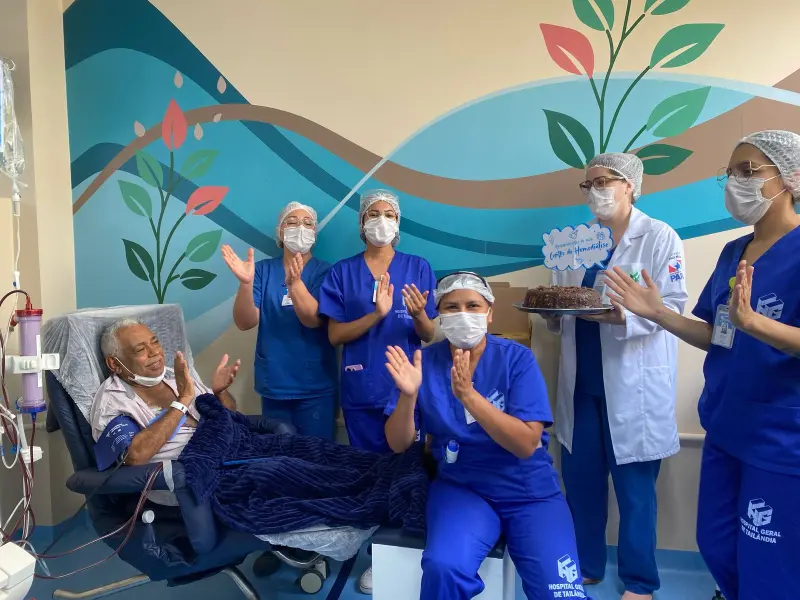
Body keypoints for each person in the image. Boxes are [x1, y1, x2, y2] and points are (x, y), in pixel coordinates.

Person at [603, 131, 800, 600]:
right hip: (726, 423)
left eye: (748, 170)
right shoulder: (734, 253)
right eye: (729, 173)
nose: (735, 182)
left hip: (779, 436)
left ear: (790, 178)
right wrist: (657, 313)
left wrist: (755, 323)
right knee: (716, 542)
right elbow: (717, 336)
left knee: (767, 560)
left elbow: (748, 326)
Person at [385, 272, 592, 600]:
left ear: (489, 312)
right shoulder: (425, 364)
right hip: (462, 489)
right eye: (451, 307)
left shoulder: (516, 359)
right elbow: (398, 443)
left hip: (529, 491)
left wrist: (469, 396)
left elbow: (526, 444)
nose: (463, 314)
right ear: (439, 314)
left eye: (473, 306)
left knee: (561, 593)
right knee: (444, 567)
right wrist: (408, 396)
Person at [541, 153, 688, 600]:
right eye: (589, 184)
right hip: (582, 385)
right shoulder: (576, 242)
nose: (596, 191)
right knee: (582, 482)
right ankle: (586, 565)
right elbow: (562, 302)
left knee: (635, 492)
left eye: (605, 181)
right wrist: (552, 315)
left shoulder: (659, 236)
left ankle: (640, 582)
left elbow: (673, 307)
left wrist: (622, 316)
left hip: (633, 386)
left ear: (631, 186)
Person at [318, 189, 437, 593]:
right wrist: (376, 315)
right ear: (361, 222)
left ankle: (411, 550)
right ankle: (378, 557)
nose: (381, 220)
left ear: (398, 223)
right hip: (362, 385)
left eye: (389, 214)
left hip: (405, 387)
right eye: (373, 213)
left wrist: (418, 314)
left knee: (410, 469)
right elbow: (335, 335)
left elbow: (429, 333)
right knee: (371, 474)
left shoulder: (417, 268)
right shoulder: (342, 273)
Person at [90, 318, 239, 506]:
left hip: (228, 459)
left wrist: (220, 393)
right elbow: (133, 456)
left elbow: (230, 417)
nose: (155, 352)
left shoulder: (175, 376)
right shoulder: (114, 401)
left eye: (155, 342)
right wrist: (182, 401)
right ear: (114, 363)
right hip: (186, 481)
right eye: (140, 349)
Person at [221, 202, 337, 439]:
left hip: (314, 384)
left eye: (307, 223)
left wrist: (295, 285)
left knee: (317, 455)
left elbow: (314, 319)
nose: (300, 228)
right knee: (278, 454)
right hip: (274, 383)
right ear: (280, 233)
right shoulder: (262, 271)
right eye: (292, 222)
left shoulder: (325, 272)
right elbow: (245, 322)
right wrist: (245, 284)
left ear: (314, 233)